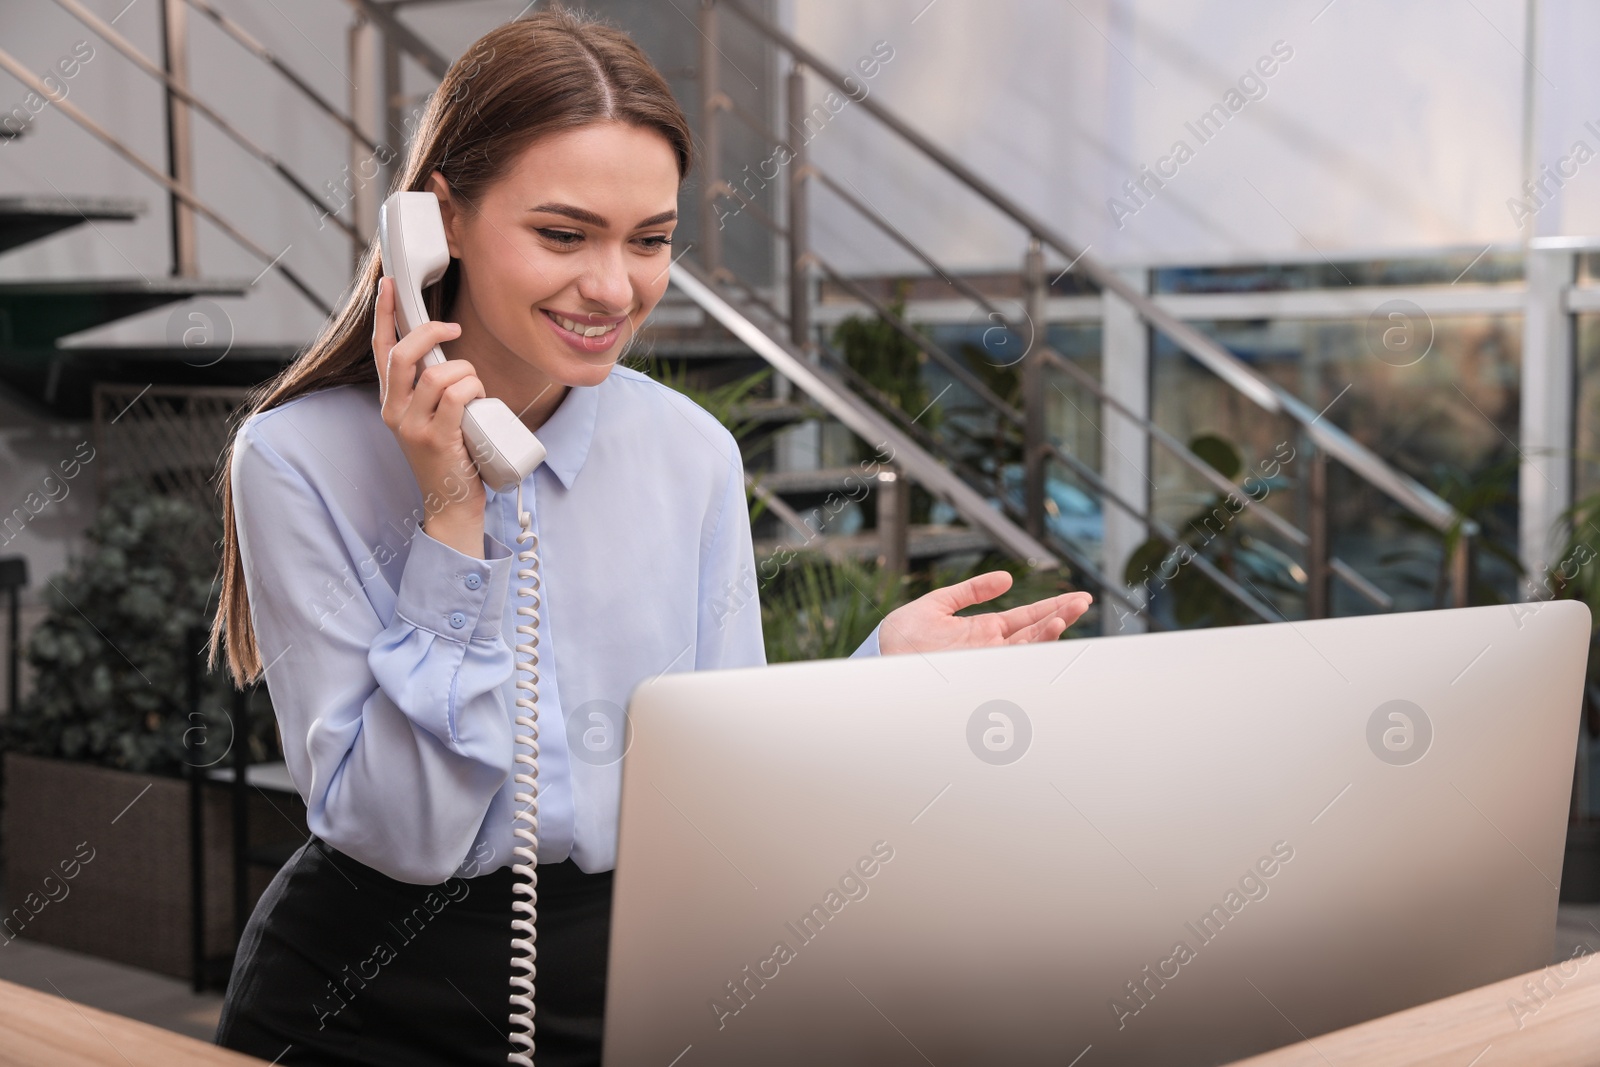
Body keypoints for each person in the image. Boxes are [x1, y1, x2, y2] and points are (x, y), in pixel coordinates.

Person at [207, 8, 1093, 1066]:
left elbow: (717, 776)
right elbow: (404, 831)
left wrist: (871, 677)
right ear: (437, 221)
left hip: (623, 984)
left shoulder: (690, 450)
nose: (614, 288)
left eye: (652, 240)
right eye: (563, 233)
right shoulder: (293, 459)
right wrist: (452, 515)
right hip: (356, 996)